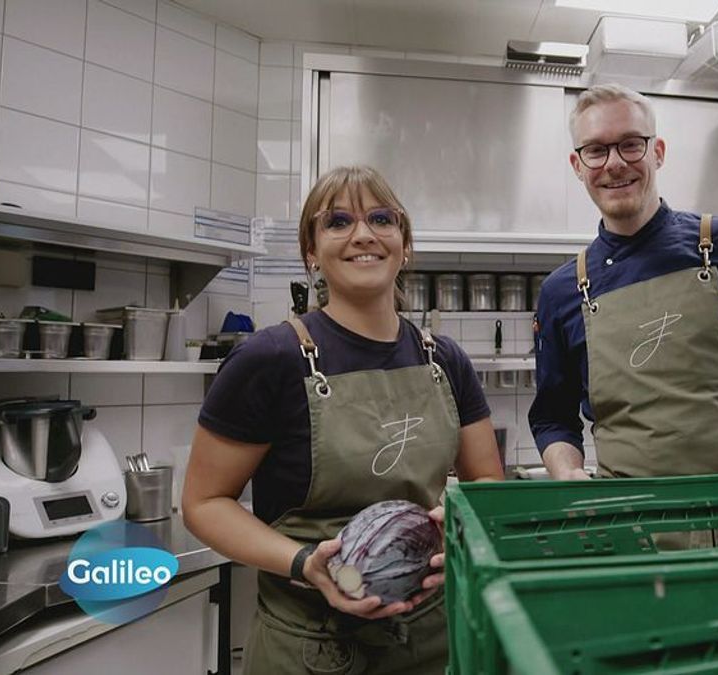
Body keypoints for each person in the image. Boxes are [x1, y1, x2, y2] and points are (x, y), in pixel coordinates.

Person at [183, 165, 503, 674]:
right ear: (311, 251)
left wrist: (458, 528)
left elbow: (486, 482)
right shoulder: (270, 360)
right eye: (337, 222)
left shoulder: (445, 360)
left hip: (434, 641)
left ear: (404, 244)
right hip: (311, 647)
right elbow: (203, 503)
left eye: (381, 218)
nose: (363, 235)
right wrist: (303, 563)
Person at [530, 84, 718, 483]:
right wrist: (566, 470)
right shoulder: (563, 290)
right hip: (629, 523)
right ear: (577, 164)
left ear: (657, 152)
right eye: (596, 150)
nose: (614, 163)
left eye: (630, 145)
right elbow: (553, 417)